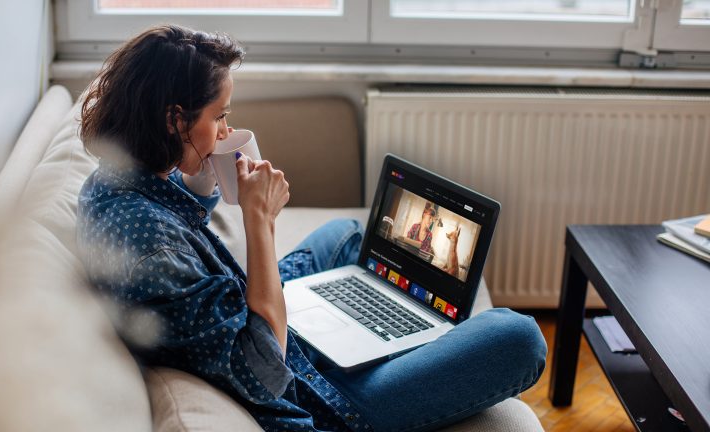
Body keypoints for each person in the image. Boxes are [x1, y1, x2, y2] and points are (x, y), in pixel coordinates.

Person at [76, 24, 546, 432]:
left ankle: (396, 326)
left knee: (345, 234)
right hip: (318, 393)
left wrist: (202, 172)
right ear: (174, 119)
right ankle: (404, 341)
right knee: (519, 336)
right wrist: (259, 220)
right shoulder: (151, 248)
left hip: (274, 329)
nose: (224, 130)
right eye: (219, 117)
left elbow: (184, 232)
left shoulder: (119, 181)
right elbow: (264, 368)